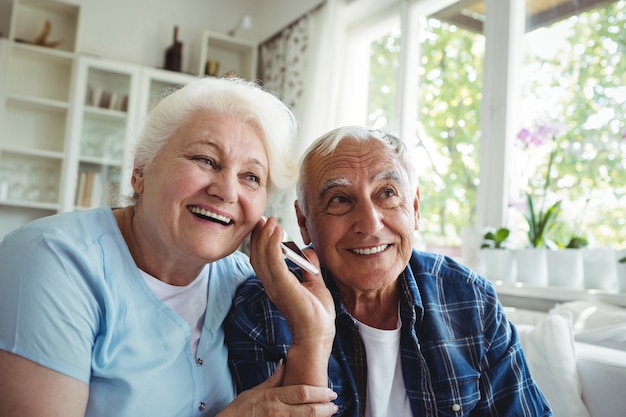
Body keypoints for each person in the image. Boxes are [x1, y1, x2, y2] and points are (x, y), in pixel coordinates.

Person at [0, 76, 338, 417]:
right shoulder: (51, 262)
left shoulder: (244, 283)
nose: (227, 191)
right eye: (205, 160)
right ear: (140, 172)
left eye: (251, 177)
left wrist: (313, 334)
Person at [226, 125, 552, 416]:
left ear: (414, 208)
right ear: (303, 222)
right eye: (340, 199)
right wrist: (311, 333)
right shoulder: (262, 309)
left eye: (387, 194)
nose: (370, 224)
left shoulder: (471, 300)